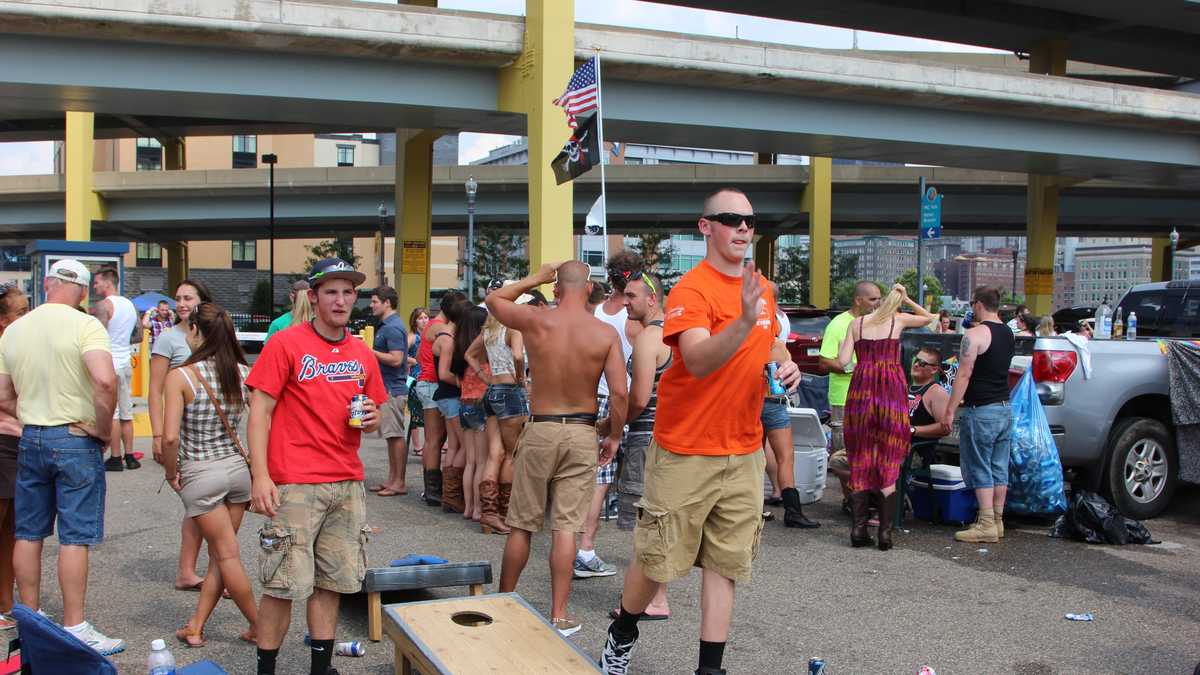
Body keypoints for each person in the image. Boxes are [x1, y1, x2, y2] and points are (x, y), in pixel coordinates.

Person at [601, 188, 799, 675]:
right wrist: (745, 321)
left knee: (725, 564)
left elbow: (769, 347)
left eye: (750, 221)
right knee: (657, 561)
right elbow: (700, 358)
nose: (744, 228)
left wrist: (788, 361)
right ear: (706, 226)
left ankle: (710, 669)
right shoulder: (693, 289)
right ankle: (623, 629)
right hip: (686, 450)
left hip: (745, 449)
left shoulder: (762, 288)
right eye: (731, 219)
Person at [246, 257, 387, 675]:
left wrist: (375, 418)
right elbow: (260, 412)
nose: (340, 300)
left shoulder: (362, 353)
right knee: (282, 585)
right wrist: (260, 475)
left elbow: (374, 410)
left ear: (355, 298)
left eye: (347, 292)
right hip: (294, 483)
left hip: (346, 481)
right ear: (314, 297)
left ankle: (320, 669)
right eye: (331, 292)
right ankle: (266, 670)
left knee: (332, 584)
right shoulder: (286, 343)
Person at [488, 261, 627, 638]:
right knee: (566, 527)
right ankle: (559, 615)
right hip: (581, 431)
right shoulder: (604, 333)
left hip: (541, 427)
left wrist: (533, 278)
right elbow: (618, 393)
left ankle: (504, 602)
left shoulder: (537, 319)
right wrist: (613, 436)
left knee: (522, 524)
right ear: (588, 291)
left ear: (557, 289)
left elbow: (494, 299)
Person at [0, 259, 124, 655]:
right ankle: (74, 623)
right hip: (73, 435)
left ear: (48, 283)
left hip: (31, 436)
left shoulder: (16, 329)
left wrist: (31, 412)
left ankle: (30, 616)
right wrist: (103, 428)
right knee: (75, 535)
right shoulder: (85, 325)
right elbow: (105, 380)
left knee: (28, 531)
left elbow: (3, 394)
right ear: (84, 291)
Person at [161, 302, 258, 648]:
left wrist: (172, 473)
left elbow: (170, 437)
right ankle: (196, 625)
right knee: (222, 554)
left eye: (188, 328)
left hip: (201, 474)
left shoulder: (181, 376)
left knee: (226, 555)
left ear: (197, 333)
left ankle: (261, 626)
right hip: (237, 473)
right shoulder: (242, 372)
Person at [836, 283, 935, 550]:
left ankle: (858, 529)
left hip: (861, 392)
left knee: (860, 457)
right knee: (889, 456)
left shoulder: (855, 325)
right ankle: (885, 533)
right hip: (890, 392)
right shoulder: (897, 320)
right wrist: (908, 297)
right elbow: (930, 319)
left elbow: (843, 360)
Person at [578, 251, 643, 581]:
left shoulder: (598, 311)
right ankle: (593, 551)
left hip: (595, 395)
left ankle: (583, 548)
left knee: (598, 480)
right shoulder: (634, 318)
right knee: (636, 480)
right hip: (627, 399)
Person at [611, 270, 672, 620]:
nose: (624, 302)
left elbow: (639, 397)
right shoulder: (678, 333)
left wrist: (615, 427)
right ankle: (655, 597)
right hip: (669, 438)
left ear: (651, 298)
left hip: (646, 437)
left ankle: (652, 600)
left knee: (644, 522)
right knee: (657, 521)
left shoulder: (650, 337)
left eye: (630, 296)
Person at [151, 278, 216, 592]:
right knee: (202, 507)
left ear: (203, 301)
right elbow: (154, 390)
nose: (181, 304)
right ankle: (202, 572)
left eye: (188, 297)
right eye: (178, 298)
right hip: (186, 438)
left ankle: (194, 572)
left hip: (213, 435)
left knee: (200, 507)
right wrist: (156, 434)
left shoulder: (213, 333)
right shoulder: (168, 339)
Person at [940, 285, 1016, 544]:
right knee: (998, 466)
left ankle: (984, 523)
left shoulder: (974, 334)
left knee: (980, 465)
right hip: (1005, 409)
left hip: (981, 410)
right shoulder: (1008, 333)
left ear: (978, 304)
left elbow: (963, 374)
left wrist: (950, 410)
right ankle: (997, 520)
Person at [466, 299, 530, 535]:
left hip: (493, 392)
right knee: (514, 455)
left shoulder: (491, 329)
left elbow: (469, 355)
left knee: (495, 454)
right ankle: (505, 513)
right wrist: (521, 379)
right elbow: (518, 355)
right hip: (511, 392)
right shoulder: (514, 328)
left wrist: (486, 379)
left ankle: (489, 515)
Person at [818, 281, 881, 512]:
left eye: (879, 298)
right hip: (844, 399)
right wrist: (852, 368)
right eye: (873, 299)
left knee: (867, 453)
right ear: (858, 300)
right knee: (845, 454)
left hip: (870, 400)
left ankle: (864, 500)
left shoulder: (874, 323)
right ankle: (851, 502)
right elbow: (824, 362)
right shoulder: (839, 324)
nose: (878, 304)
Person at [761, 281, 818, 529]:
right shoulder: (777, 334)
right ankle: (793, 511)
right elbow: (786, 367)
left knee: (754, 456)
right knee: (785, 456)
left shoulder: (746, 329)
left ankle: (754, 509)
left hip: (753, 403)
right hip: (774, 402)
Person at [414, 291, 467, 506]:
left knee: (435, 439)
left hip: (427, 382)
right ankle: (433, 491)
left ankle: (433, 490)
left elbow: (418, 355)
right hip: (433, 384)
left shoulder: (431, 326)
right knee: (435, 439)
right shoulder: (442, 329)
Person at [0, 284, 28, 631]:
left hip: (18, 441)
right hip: (2, 442)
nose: (28, 316)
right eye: (21, 312)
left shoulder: (17, 347)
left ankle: (6, 604)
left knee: (10, 531)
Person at [92, 266, 139, 472]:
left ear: (107, 282)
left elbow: (98, 336)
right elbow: (138, 336)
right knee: (127, 412)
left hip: (110, 362)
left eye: (97, 282)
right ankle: (130, 456)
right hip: (126, 361)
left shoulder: (104, 305)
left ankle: (115, 457)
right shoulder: (130, 305)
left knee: (113, 413)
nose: (94, 286)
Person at [368, 286, 410, 497]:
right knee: (390, 436)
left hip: (392, 388)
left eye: (375, 301)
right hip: (388, 388)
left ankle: (399, 482)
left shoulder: (392, 328)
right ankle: (392, 479)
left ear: (387, 303)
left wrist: (370, 352)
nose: (371, 305)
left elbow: (396, 359)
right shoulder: (387, 325)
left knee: (395, 436)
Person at [454, 306, 489, 523]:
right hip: (481, 403)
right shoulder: (482, 352)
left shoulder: (460, 349)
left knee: (470, 461)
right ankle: (477, 508)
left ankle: (467, 507)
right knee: (482, 462)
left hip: (464, 403)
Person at [433, 299, 468, 513]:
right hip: (451, 396)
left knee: (454, 445)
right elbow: (444, 373)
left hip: (446, 397)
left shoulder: (441, 335)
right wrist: (464, 383)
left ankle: (449, 495)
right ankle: (452, 495)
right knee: (465, 445)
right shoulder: (448, 340)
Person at [908, 346, 951, 468]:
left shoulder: (936, 392)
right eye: (916, 360)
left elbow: (945, 428)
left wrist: (912, 430)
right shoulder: (905, 387)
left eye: (922, 363)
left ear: (934, 369)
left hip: (916, 455)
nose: (916, 364)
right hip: (896, 449)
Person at [406, 307, 429, 457]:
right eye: (420, 318)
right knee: (415, 412)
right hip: (415, 377)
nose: (424, 320)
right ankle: (417, 445)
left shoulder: (429, 335)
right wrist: (413, 360)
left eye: (426, 317)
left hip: (428, 375)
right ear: (415, 321)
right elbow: (400, 353)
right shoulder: (412, 337)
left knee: (429, 412)